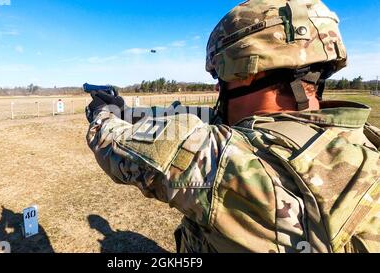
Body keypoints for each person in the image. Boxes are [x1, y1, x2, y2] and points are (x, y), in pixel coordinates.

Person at [86, 0, 380, 253]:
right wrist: (129, 110)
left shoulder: (237, 162)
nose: (217, 87)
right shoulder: (360, 139)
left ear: (246, 72)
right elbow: (204, 118)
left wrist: (103, 113)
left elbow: (114, 143)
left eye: (220, 76)